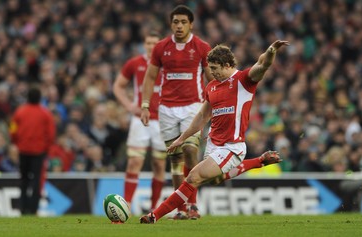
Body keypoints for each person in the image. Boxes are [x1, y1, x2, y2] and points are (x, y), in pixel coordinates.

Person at [140, 40, 288, 224]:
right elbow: (202, 116)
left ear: (227, 65)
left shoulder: (244, 80)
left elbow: (263, 64)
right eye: (209, 68)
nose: (212, 72)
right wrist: (182, 138)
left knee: (193, 177)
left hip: (232, 147)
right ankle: (260, 161)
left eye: (215, 68)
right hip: (213, 145)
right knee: (214, 179)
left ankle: (154, 216)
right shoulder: (212, 86)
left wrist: (272, 50)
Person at [140, 4, 214, 220]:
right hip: (167, 110)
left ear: (191, 24)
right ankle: (180, 208)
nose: (179, 26)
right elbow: (150, 77)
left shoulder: (201, 47)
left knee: (191, 151)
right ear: (170, 24)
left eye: (183, 22)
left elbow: (210, 78)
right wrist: (145, 105)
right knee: (175, 159)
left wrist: (218, 103)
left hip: (193, 107)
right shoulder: (161, 47)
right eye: (175, 22)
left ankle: (193, 205)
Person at [113, 31, 167, 213]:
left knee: (159, 165)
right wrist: (129, 106)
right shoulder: (135, 63)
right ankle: (126, 205)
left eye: (155, 43)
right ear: (144, 45)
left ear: (160, 45)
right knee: (134, 162)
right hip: (140, 120)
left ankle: (154, 208)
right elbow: (118, 86)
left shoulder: (168, 64)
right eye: (149, 43)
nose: (152, 46)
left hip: (162, 121)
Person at [10, 86, 56, 215]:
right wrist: (46, 148)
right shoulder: (45, 113)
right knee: (36, 181)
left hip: (23, 151)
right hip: (38, 152)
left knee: (24, 180)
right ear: (39, 98)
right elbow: (51, 134)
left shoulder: (20, 112)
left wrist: (16, 142)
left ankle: (23, 209)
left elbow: (13, 130)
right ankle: (33, 209)